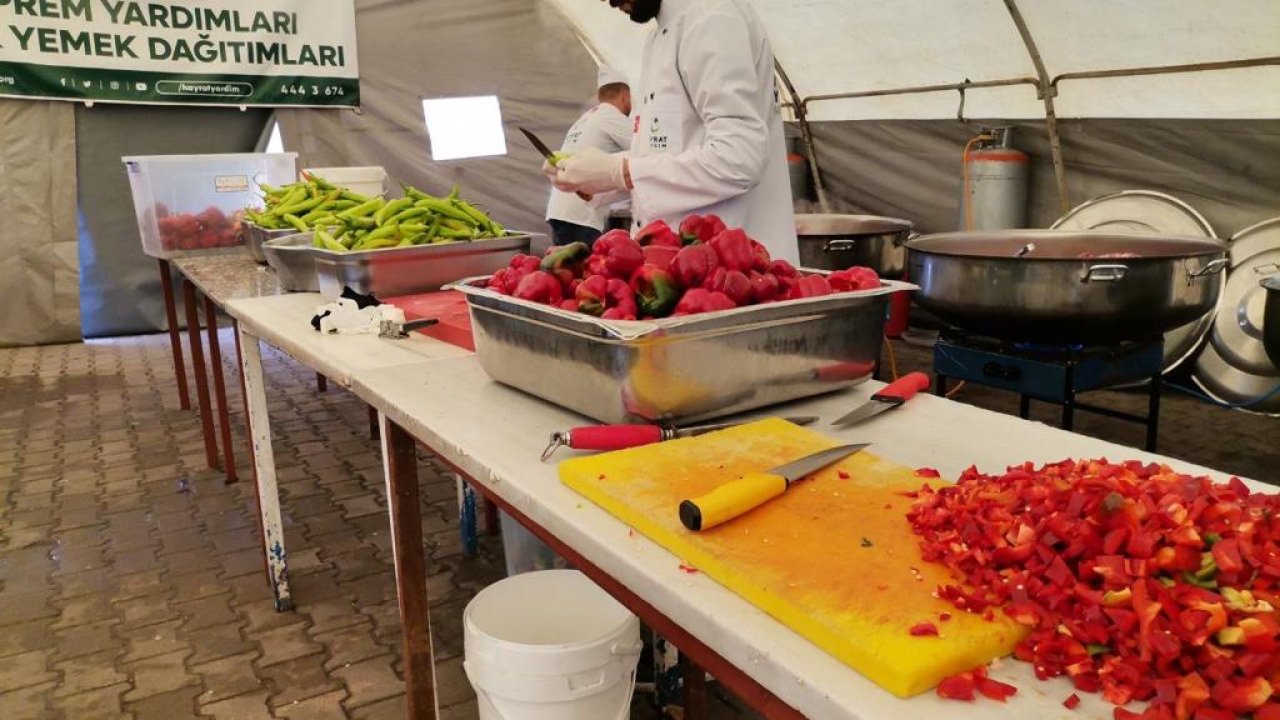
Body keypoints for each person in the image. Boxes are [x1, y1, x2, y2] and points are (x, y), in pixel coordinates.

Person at [546, 0, 799, 263]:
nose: (607, 1)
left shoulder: (712, 17)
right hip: (680, 267)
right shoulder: (658, 37)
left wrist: (621, 171)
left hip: (732, 270)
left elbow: (739, 158)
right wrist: (594, 182)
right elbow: (667, 153)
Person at [544, 66, 634, 247]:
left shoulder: (585, 118)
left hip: (560, 211)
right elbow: (645, 149)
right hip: (581, 215)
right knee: (585, 271)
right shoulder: (611, 116)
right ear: (625, 95)